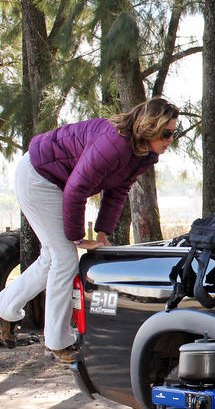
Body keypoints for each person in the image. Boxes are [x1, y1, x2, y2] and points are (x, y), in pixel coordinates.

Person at [0, 98, 180, 361]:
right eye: (166, 133)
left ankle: (5, 308)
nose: (170, 140)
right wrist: (76, 237)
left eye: (174, 133)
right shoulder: (115, 144)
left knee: (52, 258)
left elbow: (118, 190)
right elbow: (77, 189)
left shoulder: (143, 155)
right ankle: (58, 342)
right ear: (149, 127)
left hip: (55, 181)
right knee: (63, 259)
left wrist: (102, 234)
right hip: (38, 176)